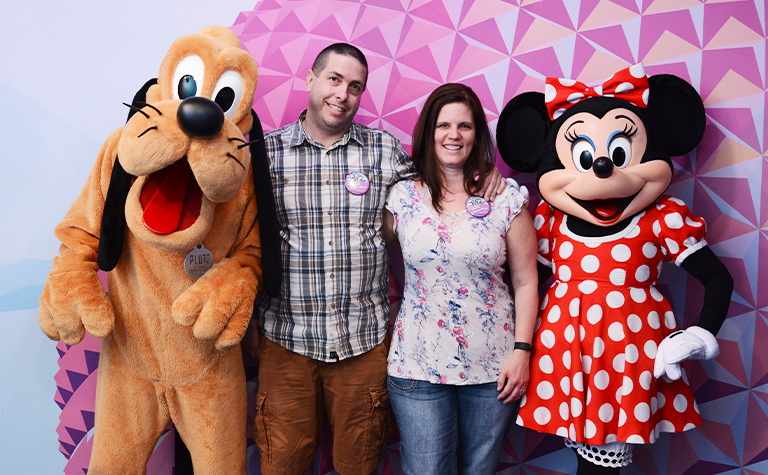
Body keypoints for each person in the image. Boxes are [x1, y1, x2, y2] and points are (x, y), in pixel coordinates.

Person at [247, 44, 505, 475]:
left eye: (355, 87)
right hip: (285, 338)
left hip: (363, 343)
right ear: (310, 80)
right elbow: (245, 238)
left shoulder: (383, 150)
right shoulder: (266, 154)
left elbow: (441, 187)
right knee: (281, 464)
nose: (342, 94)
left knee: (361, 465)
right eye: (334, 80)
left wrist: (484, 172)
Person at [381, 83, 539, 475]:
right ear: (428, 132)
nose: (454, 135)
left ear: (477, 135)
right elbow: (366, 256)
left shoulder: (505, 198)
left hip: (494, 368)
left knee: (478, 469)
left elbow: (526, 282)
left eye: (465, 126)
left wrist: (522, 351)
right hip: (417, 364)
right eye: (444, 125)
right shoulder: (401, 196)